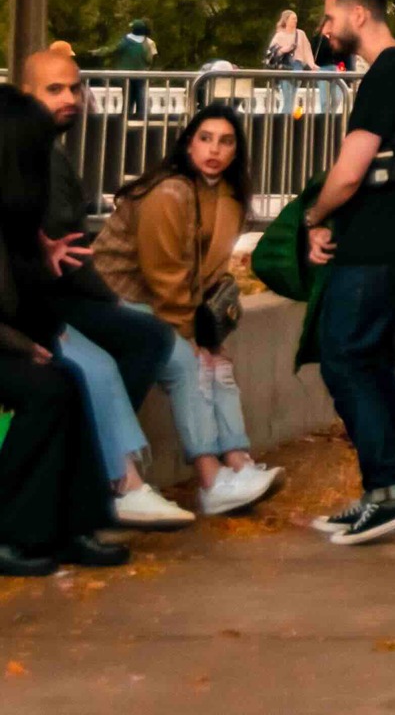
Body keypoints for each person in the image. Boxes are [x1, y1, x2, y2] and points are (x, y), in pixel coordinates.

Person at [296, 0, 395, 544]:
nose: (323, 27)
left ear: (358, 15)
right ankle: (382, 490)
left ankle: (388, 491)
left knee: (345, 358)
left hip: (375, 244)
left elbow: (351, 168)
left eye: (329, 17)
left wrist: (313, 217)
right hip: (393, 241)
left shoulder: (387, 74)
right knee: (372, 362)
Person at [16, 46, 189, 530]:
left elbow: (67, 248)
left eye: (74, 87)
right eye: (54, 90)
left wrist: (109, 299)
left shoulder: (52, 153)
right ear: (24, 94)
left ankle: (103, 472)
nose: (69, 98)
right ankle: (119, 480)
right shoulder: (21, 155)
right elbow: (38, 251)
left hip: (56, 295)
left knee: (148, 337)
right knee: (109, 355)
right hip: (32, 305)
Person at [89, 103, 283, 515]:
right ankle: (210, 479)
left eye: (226, 141)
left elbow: (209, 274)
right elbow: (164, 276)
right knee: (189, 363)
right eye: (205, 138)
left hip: (165, 306)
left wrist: (209, 337)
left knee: (218, 364)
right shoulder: (169, 192)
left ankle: (238, 461)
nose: (214, 149)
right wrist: (188, 335)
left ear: (236, 151)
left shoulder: (227, 197)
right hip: (118, 300)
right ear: (188, 144)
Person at [0, 86, 129, 577]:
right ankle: (13, 528)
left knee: (67, 384)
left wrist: (42, 254)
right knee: (47, 390)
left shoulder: (14, 214)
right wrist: (19, 346)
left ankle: (70, 525)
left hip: (13, 338)